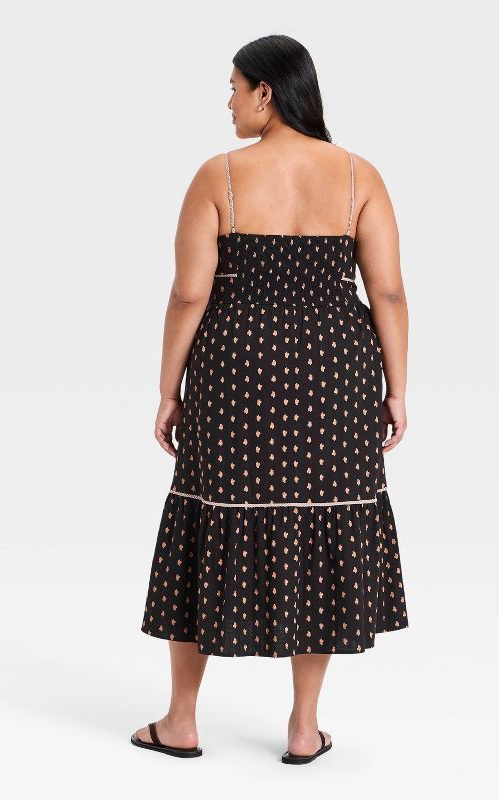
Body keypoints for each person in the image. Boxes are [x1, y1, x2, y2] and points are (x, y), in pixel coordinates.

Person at [132, 34, 409, 764]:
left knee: (204, 523)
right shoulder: (360, 176)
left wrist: (167, 389)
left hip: (236, 372)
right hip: (336, 373)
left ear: (266, 91)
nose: (227, 102)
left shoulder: (219, 176)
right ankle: (303, 728)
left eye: (233, 87)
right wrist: (397, 389)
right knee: (321, 525)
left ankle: (182, 721)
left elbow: (189, 294)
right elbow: (386, 292)